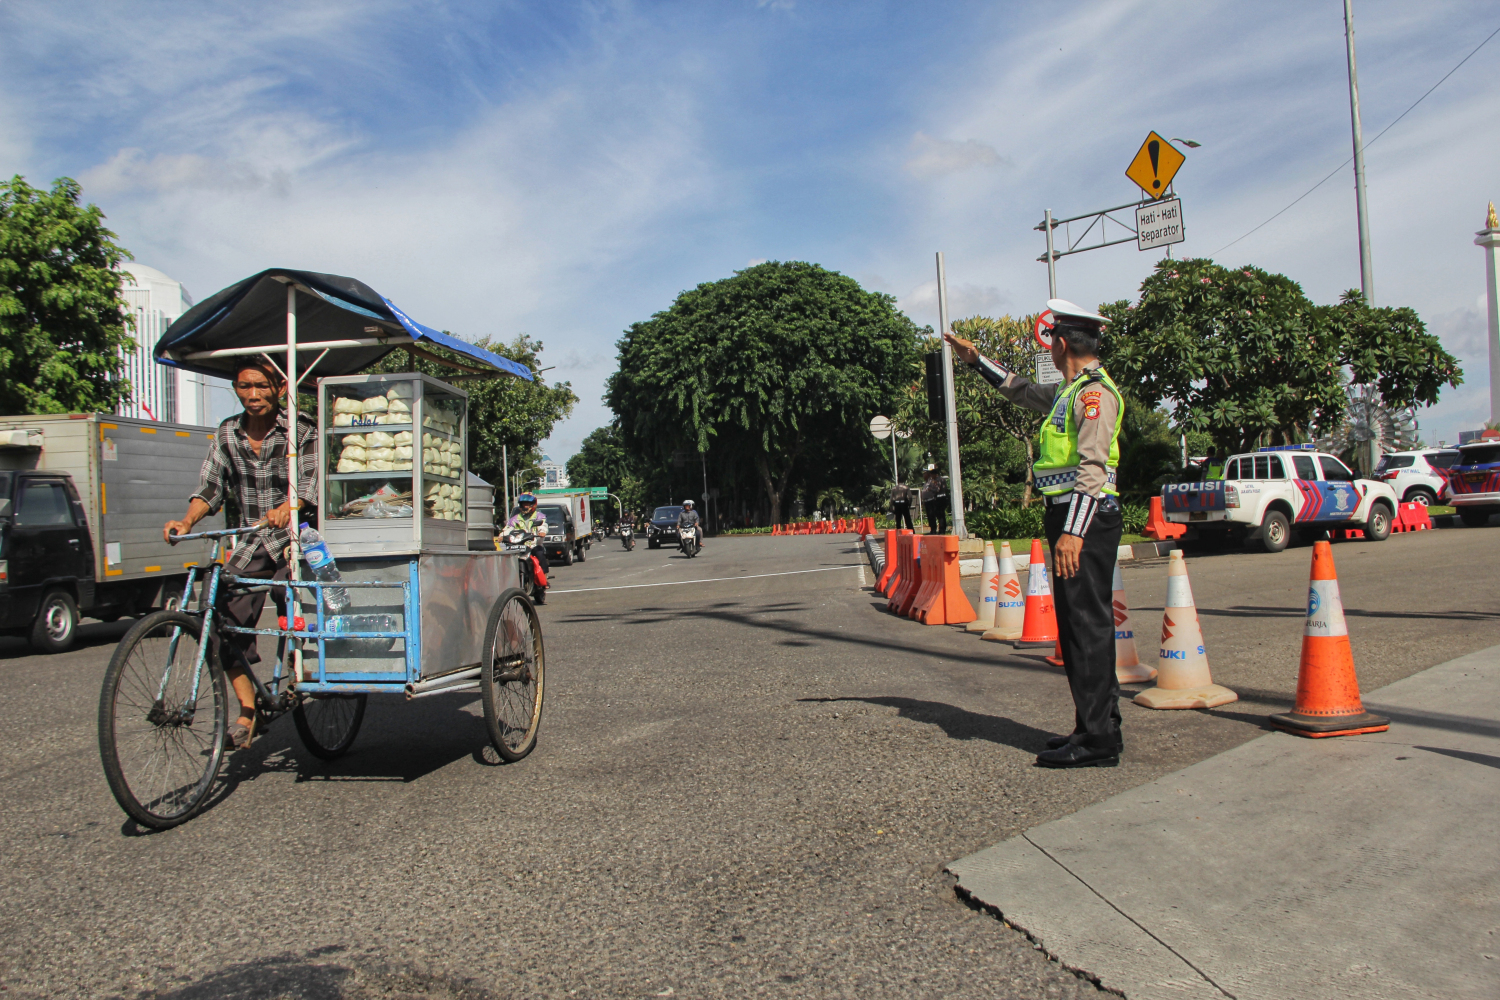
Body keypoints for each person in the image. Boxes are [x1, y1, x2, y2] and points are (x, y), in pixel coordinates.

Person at [944, 298, 1125, 769]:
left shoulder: (1093, 395)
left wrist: (1073, 533)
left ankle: (1097, 739)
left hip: (1082, 520)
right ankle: (1097, 725)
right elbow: (1019, 390)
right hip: (1073, 518)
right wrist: (975, 359)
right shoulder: (1069, 392)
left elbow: (1092, 469)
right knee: (1081, 626)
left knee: (1085, 627)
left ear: (1061, 342)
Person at [163, 359, 318, 751]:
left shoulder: (302, 430)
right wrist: (185, 521)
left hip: (296, 540)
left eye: (261, 386)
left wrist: (291, 505)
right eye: (244, 387)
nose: (252, 395)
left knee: (297, 602)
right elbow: (210, 488)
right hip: (251, 540)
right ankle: (249, 711)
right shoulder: (227, 434)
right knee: (220, 614)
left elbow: (310, 484)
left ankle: (301, 672)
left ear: (280, 388)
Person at [503, 493, 550, 603]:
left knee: (540, 555)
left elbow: (543, 525)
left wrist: (542, 532)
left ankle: (543, 580)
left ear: (533, 505)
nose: (525, 506)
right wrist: (501, 536)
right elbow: (508, 528)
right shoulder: (515, 518)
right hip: (518, 545)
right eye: (523, 504)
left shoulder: (539, 516)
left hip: (533, 544)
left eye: (527, 504)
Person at [920, 464, 948, 535]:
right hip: (939, 498)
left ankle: (941, 529)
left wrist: (930, 489)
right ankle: (940, 529)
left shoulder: (937, 480)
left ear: (934, 474)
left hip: (939, 498)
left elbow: (937, 489)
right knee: (939, 515)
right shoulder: (939, 480)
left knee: (940, 515)